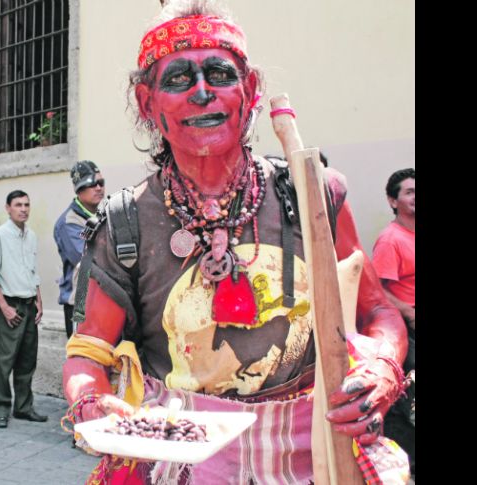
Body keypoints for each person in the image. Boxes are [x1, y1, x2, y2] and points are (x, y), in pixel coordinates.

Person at [61, 3, 409, 483]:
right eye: (179, 79)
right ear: (147, 103)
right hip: (180, 456)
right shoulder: (125, 221)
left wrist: (383, 368)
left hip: (318, 451)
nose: (203, 93)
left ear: (250, 91)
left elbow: (378, 314)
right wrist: (89, 399)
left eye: (219, 74)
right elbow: (89, 349)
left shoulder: (313, 191)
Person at [0, 190, 47, 428]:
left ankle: (23, 407)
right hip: (9, 305)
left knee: (27, 360)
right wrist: (4, 307)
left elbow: (33, 271)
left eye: (27, 204)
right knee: (3, 361)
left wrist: (39, 299)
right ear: (7, 208)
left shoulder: (31, 236)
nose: (23, 209)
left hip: (29, 305)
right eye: (18, 205)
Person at [372, 168, 415, 473]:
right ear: (393, 200)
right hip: (409, 332)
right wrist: (411, 314)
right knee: (407, 404)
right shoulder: (390, 240)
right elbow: (379, 293)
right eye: (409, 192)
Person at [54, 161, 106, 338]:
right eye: (92, 184)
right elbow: (88, 259)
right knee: (82, 360)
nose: (98, 188)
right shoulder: (70, 222)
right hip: (80, 303)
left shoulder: (103, 213)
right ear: (79, 189)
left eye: (101, 183)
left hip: (102, 299)